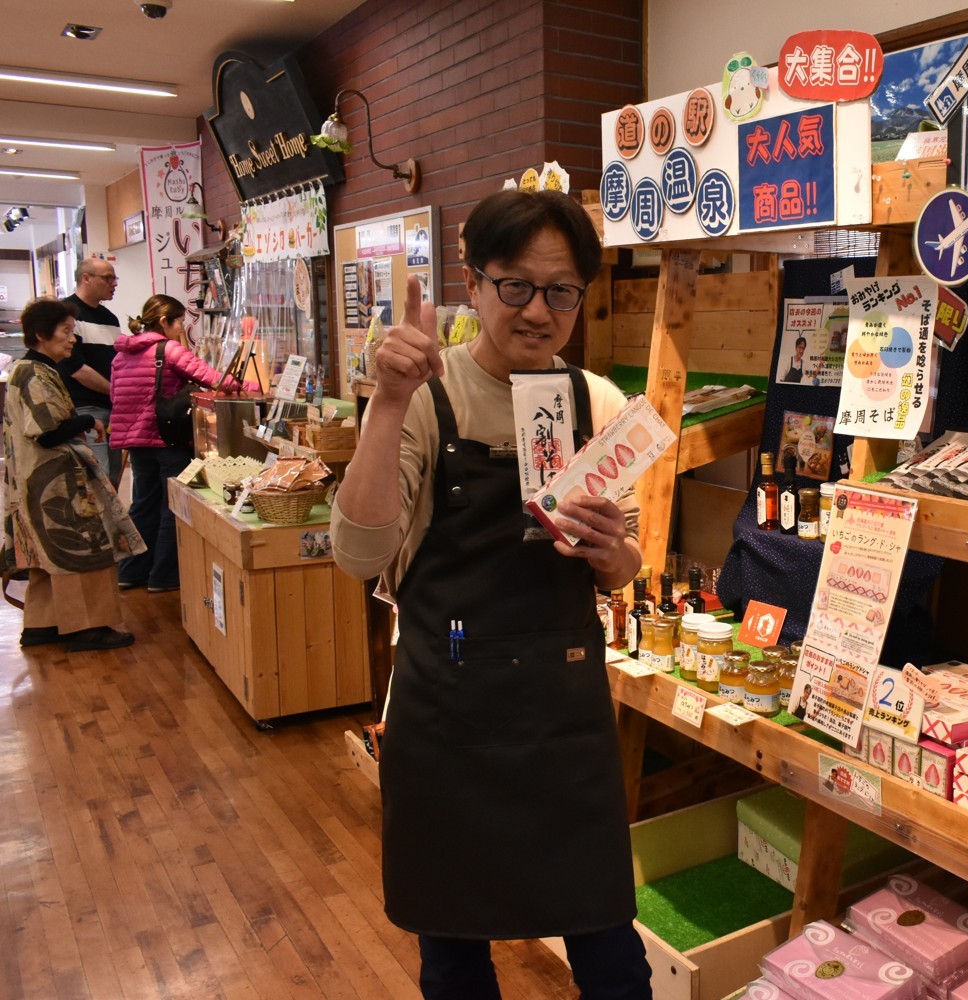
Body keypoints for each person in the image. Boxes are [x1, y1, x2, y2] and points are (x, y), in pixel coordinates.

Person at [331, 190, 652, 1000]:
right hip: (446, 722)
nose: (538, 311)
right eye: (516, 284)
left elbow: (623, 567)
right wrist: (387, 401)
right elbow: (358, 554)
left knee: (612, 953)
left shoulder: (597, 402)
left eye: (561, 290)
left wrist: (614, 553)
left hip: (564, 720)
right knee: (453, 961)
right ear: (472, 284)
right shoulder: (426, 400)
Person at [2, 298, 145, 651]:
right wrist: (88, 420)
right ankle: (86, 627)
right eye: (65, 332)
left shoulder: (29, 369)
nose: (72, 339)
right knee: (82, 550)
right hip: (54, 482)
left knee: (47, 557)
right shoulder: (34, 372)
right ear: (41, 334)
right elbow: (48, 432)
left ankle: (42, 624)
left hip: (37, 480)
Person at [111, 294, 258, 593]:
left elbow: (115, 395)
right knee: (172, 506)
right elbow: (213, 379)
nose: (181, 328)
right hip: (166, 438)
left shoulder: (121, 355)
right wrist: (252, 386)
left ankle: (131, 572)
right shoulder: (168, 349)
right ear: (164, 321)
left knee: (142, 505)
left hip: (136, 441)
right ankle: (164, 577)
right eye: (179, 321)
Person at [61, 257, 123, 482]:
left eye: (115, 278)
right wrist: (115, 391)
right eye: (107, 278)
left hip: (112, 407)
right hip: (85, 408)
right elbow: (76, 368)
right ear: (86, 278)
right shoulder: (67, 314)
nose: (113, 284)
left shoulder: (110, 318)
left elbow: (117, 362)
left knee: (113, 475)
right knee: (98, 476)